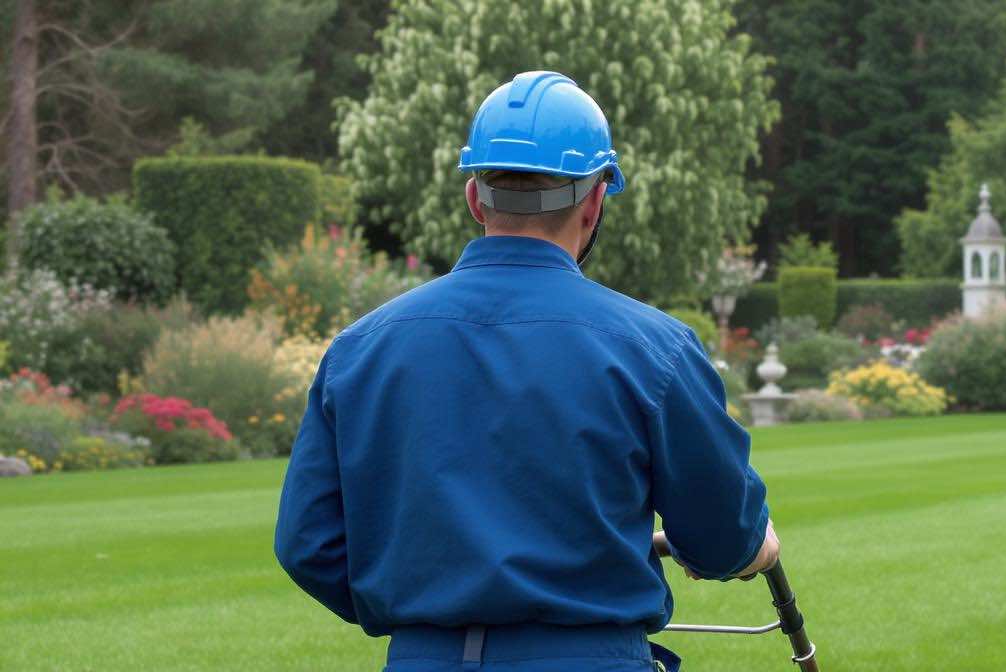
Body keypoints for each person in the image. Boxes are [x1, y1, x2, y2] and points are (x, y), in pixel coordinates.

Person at [274, 71, 778, 672]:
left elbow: (308, 544)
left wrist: (428, 610)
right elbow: (722, 537)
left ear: (474, 197)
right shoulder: (654, 348)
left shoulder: (360, 349)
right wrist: (755, 547)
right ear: (594, 203)